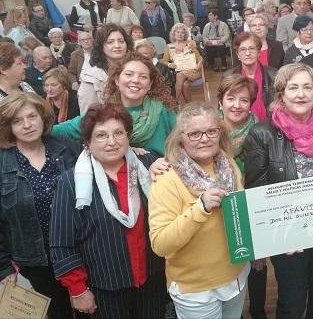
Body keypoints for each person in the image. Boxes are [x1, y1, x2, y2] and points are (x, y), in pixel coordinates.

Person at [243, 63, 313, 319]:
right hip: (289, 237)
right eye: (293, 87)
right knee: (292, 301)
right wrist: (278, 235)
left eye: (307, 87)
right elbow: (256, 190)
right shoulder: (262, 134)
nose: (301, 94)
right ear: (281, 94)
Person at [51, 104, 167, 318]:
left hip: (154, 280)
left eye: (118, 133)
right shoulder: (71, 182)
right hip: (104, 289)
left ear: (128, 136)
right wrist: (78, 289)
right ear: (87, 142)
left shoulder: (148, 165)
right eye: (101, 135)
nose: (112, 142)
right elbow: (61, 242)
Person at [148, 103, 247, 319]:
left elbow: (243, 215)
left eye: (211, 131)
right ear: (180, 137)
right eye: (194, 133)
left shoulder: (229, 164)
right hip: (196, 290)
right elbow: (160, 243)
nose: (204, 138)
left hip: (236, 276)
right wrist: (200, 208)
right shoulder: (167, 178)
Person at [0, 92, 81, 319]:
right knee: (58, 312)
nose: (27, 125)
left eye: (32, 116)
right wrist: (4, 267)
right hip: (36, 260)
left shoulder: (66, 147)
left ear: (43, 117)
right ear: (8, 126)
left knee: (90, 307)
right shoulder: (3, 162)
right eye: (17, 121)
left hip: (80, 251)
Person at [53, 53, 177, 157]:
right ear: (117, 80)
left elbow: (183, 145)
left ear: (150, 85)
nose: (135, 80)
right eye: (129, 74)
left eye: (143, 77)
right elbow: (60, 130)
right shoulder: (103, 114)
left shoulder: (165, 111)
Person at [217, 74, 266, 319]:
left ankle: (257, 309)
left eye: (244, 100)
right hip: (217, 205)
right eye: (231, 98)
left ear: (251, 103)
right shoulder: (207, 131)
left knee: (257, 262)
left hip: (252, 201)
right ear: (220, 101)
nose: (237, 105)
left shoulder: (260, 131)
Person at [77, 24, 132, 113]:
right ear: (101, 46)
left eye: (121, 41)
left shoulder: (135, 67)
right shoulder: (91, 78)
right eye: (110, 42)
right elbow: (88, 117)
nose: (117, 45)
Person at [224, 32, 276, 121]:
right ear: (237, 54)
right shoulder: (228, 76)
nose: (248, 53)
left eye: (252, 48)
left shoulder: (273, 75)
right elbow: (222, 108)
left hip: (267, 127)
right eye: (243, 49)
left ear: (259, 52)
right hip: (238, 126)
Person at [162, 23, 204, 103]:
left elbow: (199, 58)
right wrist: (170, 64)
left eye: (182, 32)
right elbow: (163, 61)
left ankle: (174, 102)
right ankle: (190, 105)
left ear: (185, 34)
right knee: (185, 84)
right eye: (178, 32)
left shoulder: (189, 44)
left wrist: (199, 64)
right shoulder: (169, 47)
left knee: (180, 75)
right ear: (174, 34)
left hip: (193, 70)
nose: (180, 34)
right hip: (178, 71)